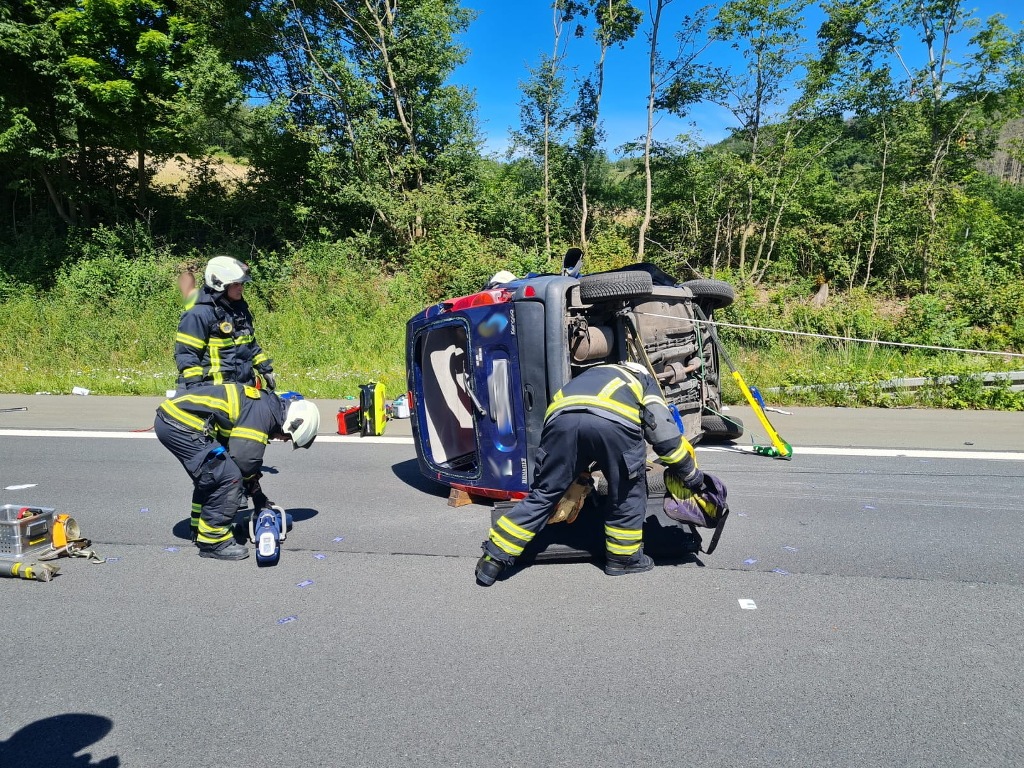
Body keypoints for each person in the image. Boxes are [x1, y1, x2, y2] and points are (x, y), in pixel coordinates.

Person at [475, 361, 727, 585]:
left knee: (544, 494)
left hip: (561, 424)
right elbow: (663, 433)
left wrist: (573, 474)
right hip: (615, 426)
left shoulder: (583, 378)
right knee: (626, 493)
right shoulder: (641, 379)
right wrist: (690, 474)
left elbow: (572, 426)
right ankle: (623, 559)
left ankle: (493, 558)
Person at [154, 383, 320, 559]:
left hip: (177, 421)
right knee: (227, 476)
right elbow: (244, 462)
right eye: (288, 437)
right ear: (291, 423)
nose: (284, 440)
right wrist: (256, 494)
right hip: (181, 426)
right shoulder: (262, 416)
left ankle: (199, 527)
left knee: (212, 475)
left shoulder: (265, 407)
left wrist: (255, 489)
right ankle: (213, 541)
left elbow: (241, 457)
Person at [174, 256, 276, 392]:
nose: (241, 288)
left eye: (242, 284)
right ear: (218, 283)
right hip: (214, 391)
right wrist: (195, 388)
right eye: (235, 284)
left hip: (244, 390)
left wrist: (265, 370)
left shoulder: (239, 311)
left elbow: (251, 345)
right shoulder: (198, 314)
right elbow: (187, 354)